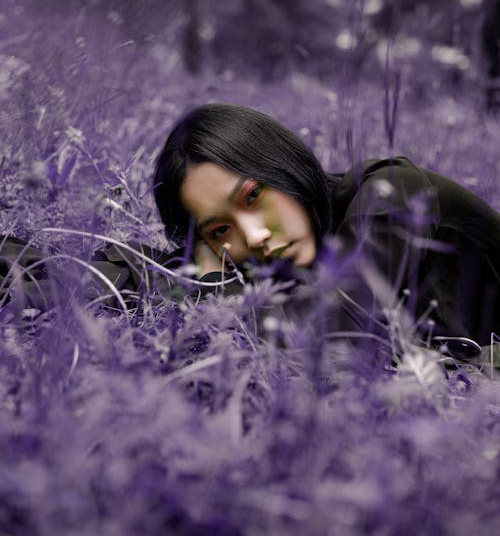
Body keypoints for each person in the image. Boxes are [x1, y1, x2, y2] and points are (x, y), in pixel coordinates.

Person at [152, 103, 500, 355]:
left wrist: (212, 288)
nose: (255, 236)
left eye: (254, 195)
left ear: (281, 164)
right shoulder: (290, 258)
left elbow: (336, 328)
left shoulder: (391, 192)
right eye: (220, 231)